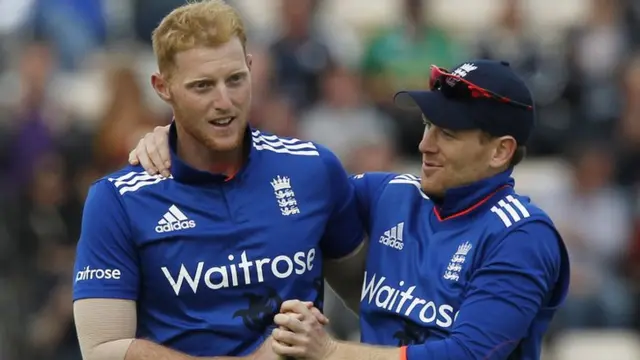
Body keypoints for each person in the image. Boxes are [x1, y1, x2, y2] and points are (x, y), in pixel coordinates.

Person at [131, 60, 570, 360]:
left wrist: (331, 352)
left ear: (500, 152)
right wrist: (182, 142)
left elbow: (466, 354)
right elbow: (276, 182)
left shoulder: (522, 237)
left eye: (448, 134)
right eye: (427, 125)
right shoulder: (388, 195)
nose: (424, 145)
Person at [72, 1, 367, 359]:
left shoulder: (313, 170)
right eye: (202, 86)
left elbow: (370, 296)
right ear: (162, 87)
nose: (224, 101)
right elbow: (102, 349)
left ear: (251, 68)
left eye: (236, 79)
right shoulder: (117, 200)